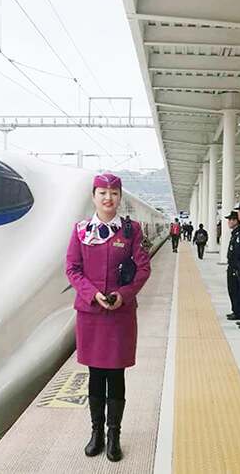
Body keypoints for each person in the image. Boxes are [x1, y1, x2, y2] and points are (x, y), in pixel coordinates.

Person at [65, 173, 151, 462]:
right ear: (93, 196)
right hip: (90, 314)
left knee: (116, 376)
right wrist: (92, 293)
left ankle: (114, 436)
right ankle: (96, 434)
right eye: (102, 192)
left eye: (114, 192)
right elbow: (72, 269)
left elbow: (143, 269)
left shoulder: (131, 231)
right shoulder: (80, 231)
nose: (108, 198)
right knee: (94, 375)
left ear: (119, 197)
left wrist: (123, 295)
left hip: (120, 316)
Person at [224, 211, 240, 321]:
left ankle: (238, 312)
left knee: (235, 289)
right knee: (232, 289)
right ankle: (236, 310)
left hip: (235, 266)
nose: (228, 222)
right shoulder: (235, 233)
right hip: (232, 265)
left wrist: (237, 267)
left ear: (236, 221)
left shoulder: (239, 233)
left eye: (230, 219)